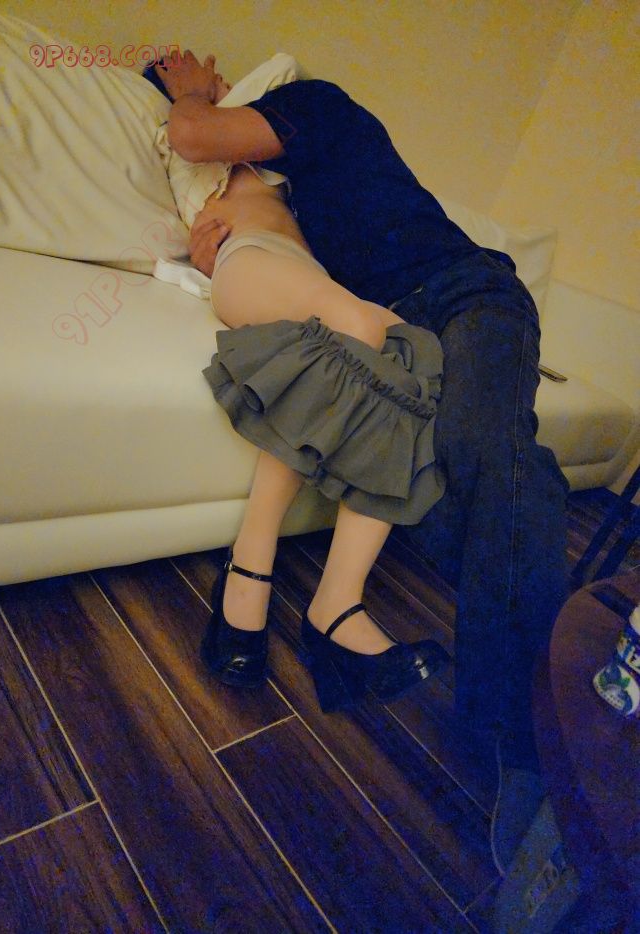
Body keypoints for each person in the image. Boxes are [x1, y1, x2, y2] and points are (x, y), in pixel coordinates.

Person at [154, 50, 571, 874]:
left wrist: (194, 93)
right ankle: (339, 619)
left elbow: (196, 133)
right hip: (390, 320)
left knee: (485, 450)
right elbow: (273, 257)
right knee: (433, 460)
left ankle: (532, 744)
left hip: (464, 294)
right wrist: (219, 248)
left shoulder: (317, 105)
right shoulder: (291, 199)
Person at [151, 53, 450, 712]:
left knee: (415, 354)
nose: (226, 86)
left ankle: (336, 606)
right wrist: (190, 91)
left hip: (307, 273)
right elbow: (191, 134)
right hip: (250, 259)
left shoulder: (284, 148)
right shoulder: (191, 141)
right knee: (356, 325)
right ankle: (253, 564)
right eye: (217, 84)